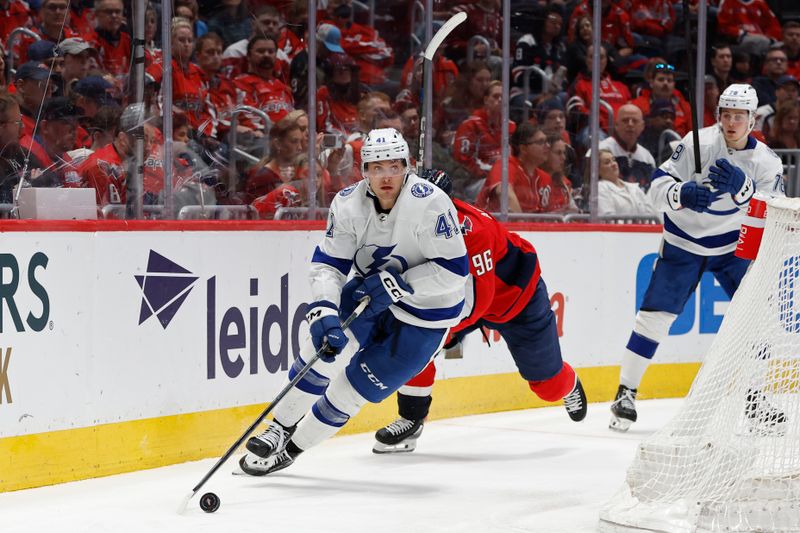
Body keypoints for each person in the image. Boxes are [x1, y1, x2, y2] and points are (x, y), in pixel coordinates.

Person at [237, 127, 468, 476]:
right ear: (364, 171)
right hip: (368, 295)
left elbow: (454, 271)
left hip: (428, 314)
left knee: (351, 391)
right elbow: (329, 265)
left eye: (393, 166)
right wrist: (326, 309)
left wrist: (399, 285)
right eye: (376, 167)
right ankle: (277, 428)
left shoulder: (431, 203)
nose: (386, 176)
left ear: (408, 165)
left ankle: (293, 449)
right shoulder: (347, 203)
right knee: (320, 352)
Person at [609, 83, 786, 432]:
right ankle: (625, 393)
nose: (732, 122)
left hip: (732, 246)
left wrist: (744, 191)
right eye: (726, 114)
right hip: (683, 242)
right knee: (654, 318)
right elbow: (654, 191)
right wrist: (680, 193)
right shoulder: (695, 144)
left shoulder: (766, 161)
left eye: (740, 116)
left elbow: (774, 214)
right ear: (718, 115)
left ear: (752, 120)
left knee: (757, 319)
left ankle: (754, 397)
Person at [373, 168, 587, 453]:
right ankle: (411, 419)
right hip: (462, 297)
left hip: (516, 299)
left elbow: (481, 301)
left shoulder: (472, 231)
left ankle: (568, 383)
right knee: (414, 340)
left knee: (547, 388)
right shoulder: (405, 225)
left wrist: (440, 326)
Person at [597, 149, 654, 217]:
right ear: (598, 170)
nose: (613, 164)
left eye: (613, 160)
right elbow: (608, 220)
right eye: (607, 162)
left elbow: (651, 214)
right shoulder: (600, 188)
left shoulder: (633, 187)